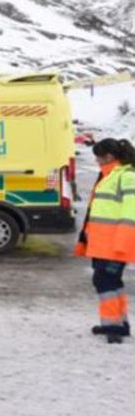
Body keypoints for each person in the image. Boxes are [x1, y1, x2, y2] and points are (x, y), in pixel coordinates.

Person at [77, 138, 134, 343]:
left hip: (114, 245)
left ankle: (114, 327)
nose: (96, 161)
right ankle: (120, 323)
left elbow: (131, 212)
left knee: (104, 281)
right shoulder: (109, 176)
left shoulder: (125, 177)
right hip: (104, 244)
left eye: (98, 157)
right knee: (111, 282)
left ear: (109, 156)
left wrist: (123, 243)